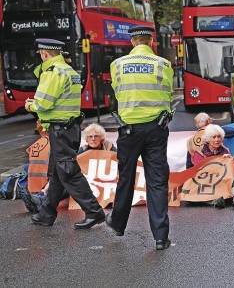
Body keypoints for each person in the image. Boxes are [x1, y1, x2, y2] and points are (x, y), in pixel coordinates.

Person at [24, 38, 105, 229]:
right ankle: (46, 213)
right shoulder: (70, 71)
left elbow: (43, 103)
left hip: (60, 129)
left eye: (41, 55)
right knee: (59, 173)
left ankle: (94, 212)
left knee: (68, 172)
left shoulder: (53, 73)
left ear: (45, 54)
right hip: (71, 128)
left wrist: (30, 105)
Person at [107, 26, 174, 250]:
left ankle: (118, 224)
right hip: (156, 128)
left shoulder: (117, 65)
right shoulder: (164, 65)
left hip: (129, 130)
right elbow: (168, 93)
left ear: (133, 42)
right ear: (151, 42)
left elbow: (117, 92)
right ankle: (161, 237)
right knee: (156, 181)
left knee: (126, 178)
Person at [191, 124, 234, 207]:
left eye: (219, 137)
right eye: (214, 137)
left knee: (231, 168)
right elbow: (200, 173)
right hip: (207, 182)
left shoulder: (225, 151)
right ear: (208, 139)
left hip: (224, 182)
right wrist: (218, 162)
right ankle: (216, 201)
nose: (217, 140)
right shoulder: (199, 152)